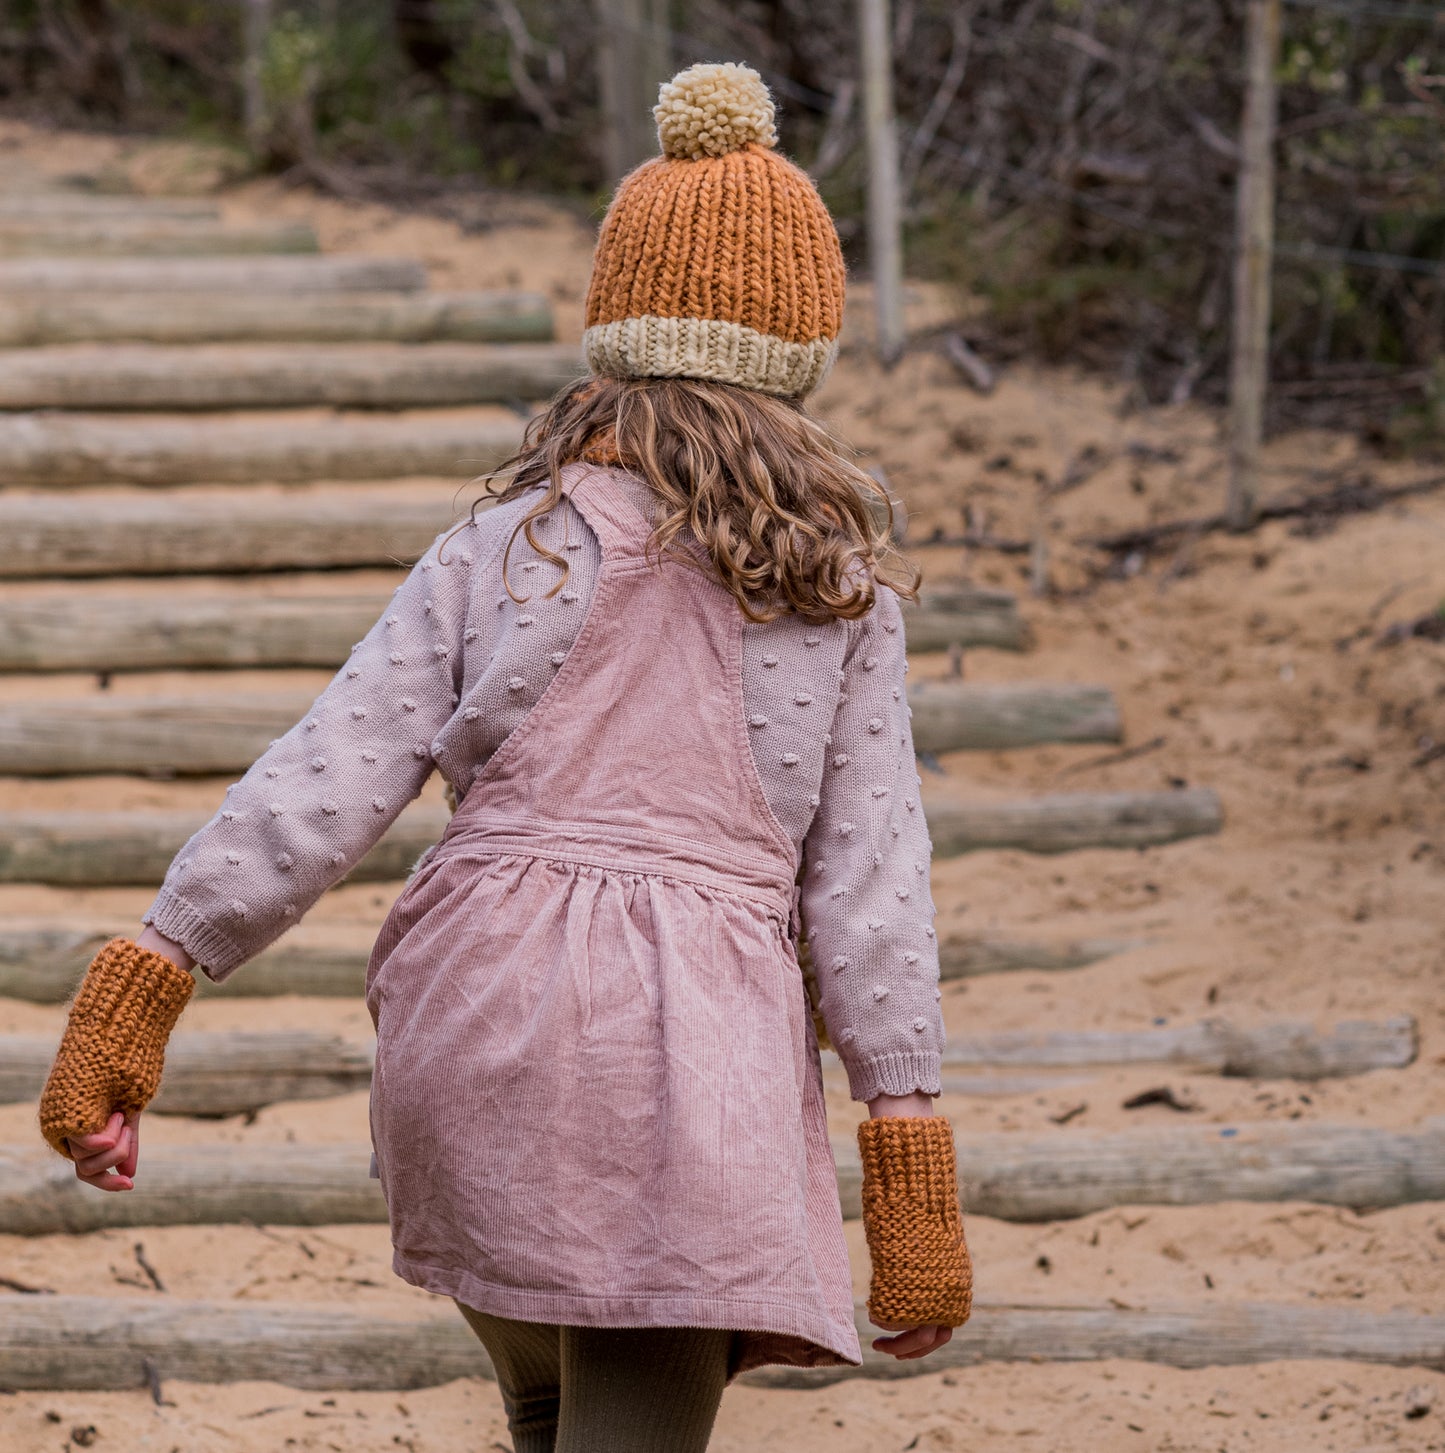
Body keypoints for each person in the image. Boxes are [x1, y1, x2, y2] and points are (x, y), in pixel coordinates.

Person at [37, 60, 972, 1453]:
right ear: (801, 350)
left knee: (547, 1406)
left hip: (472, 1034)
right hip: (677, 1074)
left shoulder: (506, 538)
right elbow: (869, 889)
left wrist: (148, 985)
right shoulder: (830, 588)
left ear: (615, 325)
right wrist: (904, 1151)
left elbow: (327, 773)